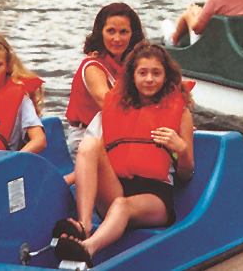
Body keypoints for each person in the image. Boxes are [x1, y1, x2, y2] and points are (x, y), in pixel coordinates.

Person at [53, 42, 195, 265]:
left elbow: (186, 174)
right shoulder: (115, 109)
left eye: (156, 73)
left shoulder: (181, 113)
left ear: (166, 76)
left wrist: (182, 149)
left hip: (155, 197)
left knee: (122, 205)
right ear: (132, 76)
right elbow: (91, 158)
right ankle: (84, 225)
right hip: (116, 188)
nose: (149, 79)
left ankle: (88, 249)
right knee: (89, 145)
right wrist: (67, 180)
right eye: (143, 73)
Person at [65, 3, 145, 155]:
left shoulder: (130, 66)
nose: (117, 38)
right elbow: (109, 104)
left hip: (117, 135)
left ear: (132, 35)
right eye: (110, 31)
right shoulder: (92, 66)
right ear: (100, 33)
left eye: (123, 32)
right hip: (86, 139)